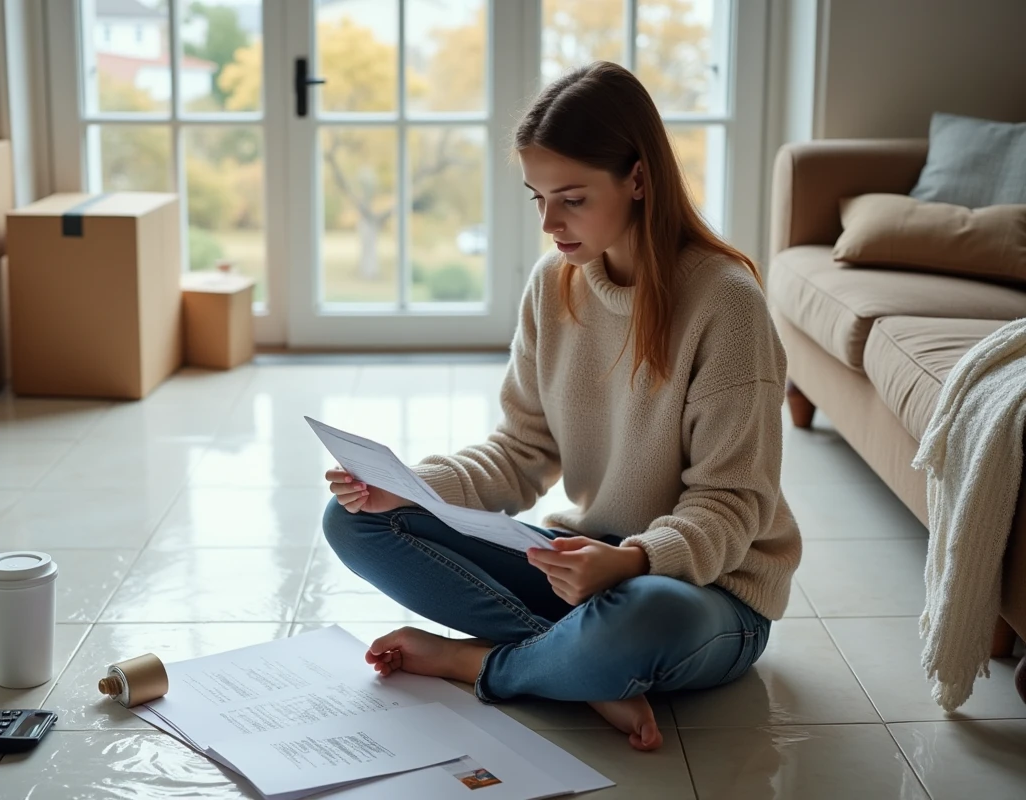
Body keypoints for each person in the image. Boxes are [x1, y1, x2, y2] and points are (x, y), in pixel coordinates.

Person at [321, 61, 801, 753]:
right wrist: (411, 488)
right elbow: (521, 452)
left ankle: (476, 662)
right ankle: (577, 666)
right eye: (537, 198)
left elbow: (732, 504)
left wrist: (631, 561)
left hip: (704, 590)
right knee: (354, 520)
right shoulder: (554, 283)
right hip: (582, 566)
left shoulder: (727, 303)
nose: (550, 223)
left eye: (572, 199)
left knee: (636, 620)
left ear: (638, 179)